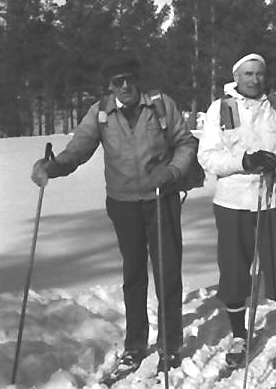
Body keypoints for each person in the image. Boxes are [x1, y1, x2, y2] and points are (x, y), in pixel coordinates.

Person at [30, 51, 197, 377]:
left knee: (167, 273)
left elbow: (185, 142)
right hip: (123, 204)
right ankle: (135, 344)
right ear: (108, 86)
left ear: (137, 79)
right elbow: (78, 149)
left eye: (128, 79)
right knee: (133, 275)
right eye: (116, 82)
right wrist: (54, 167)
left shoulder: (161, 105)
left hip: (161, 198)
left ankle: (170, 344)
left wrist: (174, 172)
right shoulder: (101, 113)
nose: (124, 86)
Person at [197, 53, 276, 369]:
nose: (254, 79)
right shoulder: (221, 108)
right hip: (233, 202)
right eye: (248, 74)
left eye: (259, 73)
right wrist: (245, 161)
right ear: (237, 77)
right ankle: (239, 334)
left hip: (275, 199)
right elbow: (207, 157)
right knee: (234, 269)